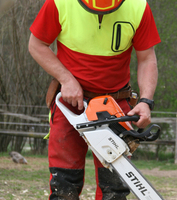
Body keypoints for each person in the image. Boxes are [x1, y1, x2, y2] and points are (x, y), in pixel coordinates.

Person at [28, 0, 160, 199]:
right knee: (64, 184)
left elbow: (147, 58)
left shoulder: (138, 7)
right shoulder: (59, 3)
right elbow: (36, 44)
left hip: (116, 103)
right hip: (71, 105)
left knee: (115, 187)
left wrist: (146, 100)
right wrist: (66, 79)